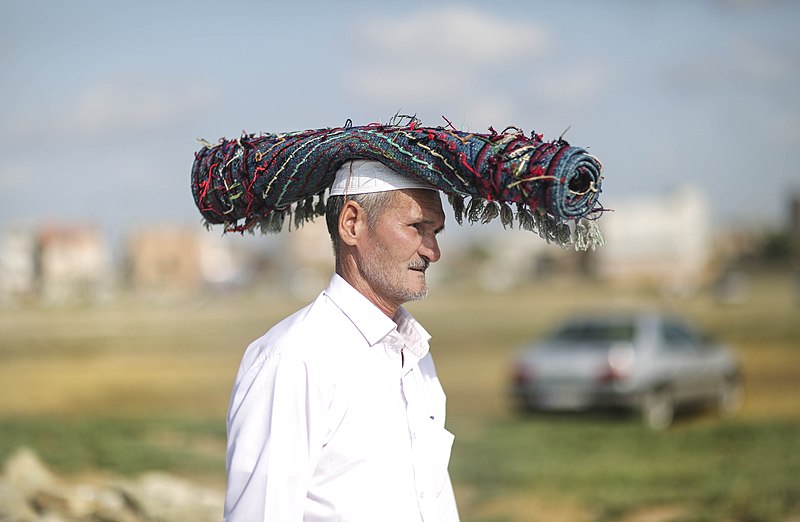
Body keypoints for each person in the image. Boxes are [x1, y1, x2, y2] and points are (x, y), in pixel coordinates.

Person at [223, 160, 460, 521]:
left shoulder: (416, 355)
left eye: (436, 232)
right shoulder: (292, 360)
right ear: (352, 223)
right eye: (416, 227)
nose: (432, 251)